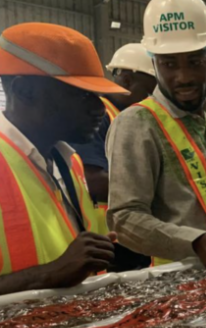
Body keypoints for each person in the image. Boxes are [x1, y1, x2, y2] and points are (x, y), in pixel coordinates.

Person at [107, 0, 206, 275]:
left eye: (196, 62)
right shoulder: (138, 124)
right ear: (154, 63)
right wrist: (198, 242)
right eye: (169, 64)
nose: (183, 77)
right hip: (178, 282)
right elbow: (124, 219)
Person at [0, 22, 129, 294]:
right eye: (82, 94)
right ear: (24, 91)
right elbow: (59, 268)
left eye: (97, 95)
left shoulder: (68, 163)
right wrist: (48, 275)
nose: (99, 109)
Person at [71, 43, 157, 271]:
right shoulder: (98, 117)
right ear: (127, 80)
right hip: (110, 240)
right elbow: (92, 179)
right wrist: (154, 187)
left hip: (130, 233)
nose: (153, 102)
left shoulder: (128, 118)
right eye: (149, 93)